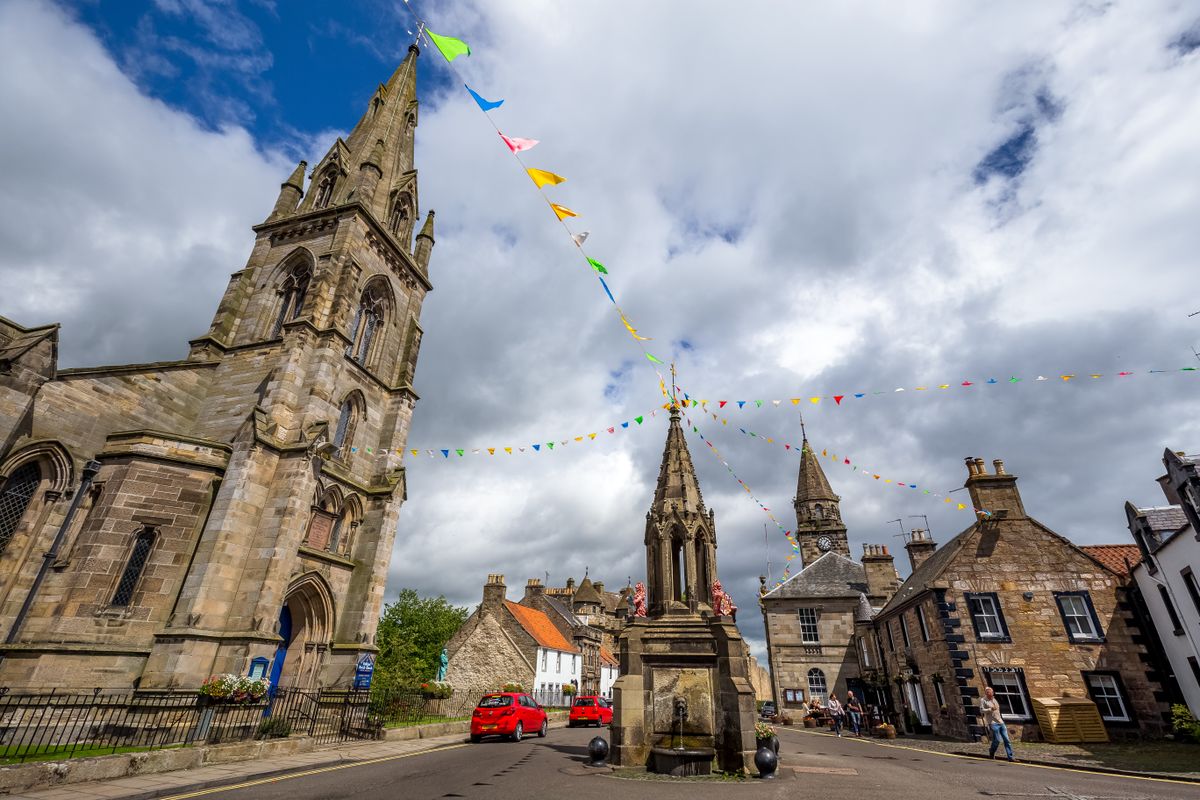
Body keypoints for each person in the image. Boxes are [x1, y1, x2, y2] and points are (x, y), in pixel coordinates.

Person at [980, 686, 1014, 762]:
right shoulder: (983, 700)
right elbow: (981, 710)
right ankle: (991, 751)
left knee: (1007, 740)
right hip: (993, 723)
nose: (990, 694)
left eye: (991, 692)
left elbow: (997, 710)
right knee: (997, 740)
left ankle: (1010, 757)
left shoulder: (994, 699)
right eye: (988, 693)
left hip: (1000, 722)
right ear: (986, 693)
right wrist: (990, 709)